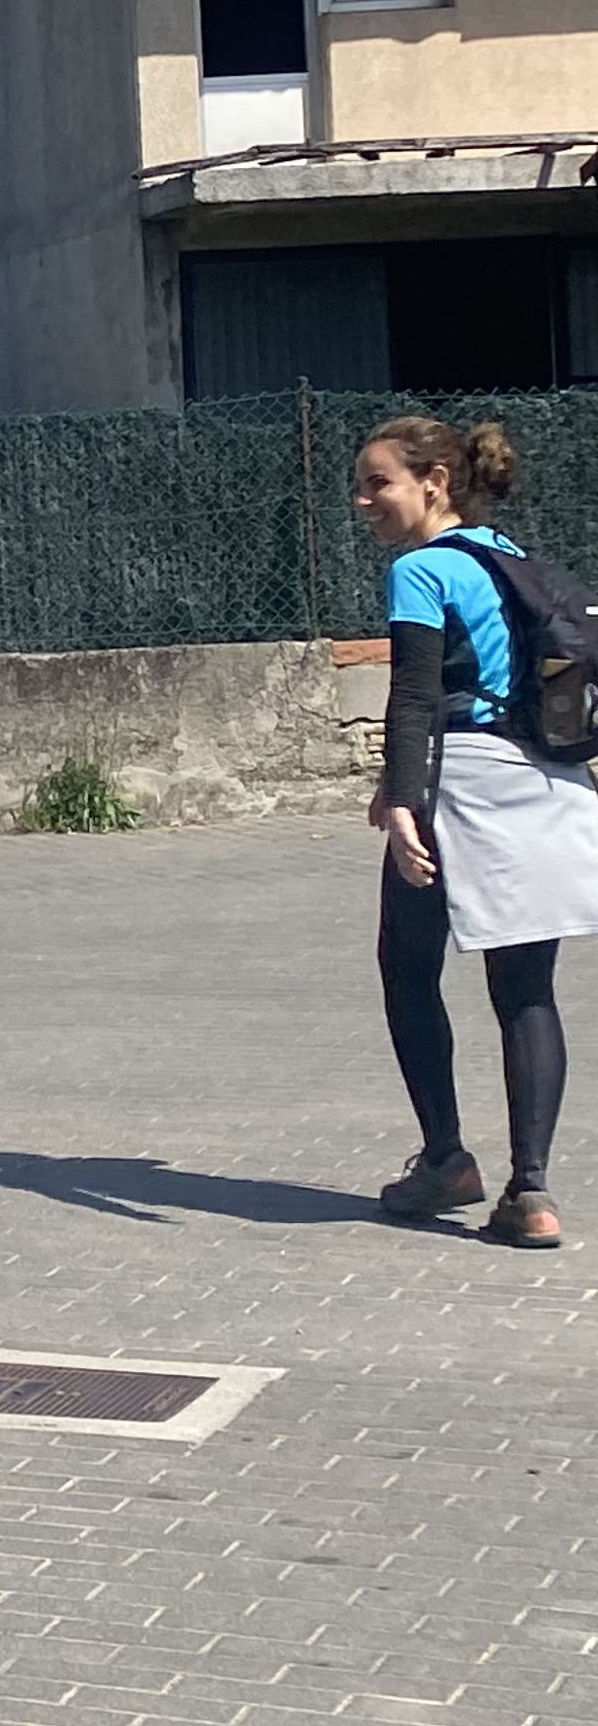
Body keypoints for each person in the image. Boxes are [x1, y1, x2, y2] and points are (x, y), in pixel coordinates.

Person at [356, 412, 595, 1247]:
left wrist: (401, 800)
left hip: (462, 786)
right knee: (526, 991)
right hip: (546, 782)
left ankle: (446, 1160)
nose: (363, 501)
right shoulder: (512, 557)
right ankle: (533, 1193)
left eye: (379, 482)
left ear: (434, 482)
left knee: (407, 967)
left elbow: (416, 695)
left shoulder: (420, 569)